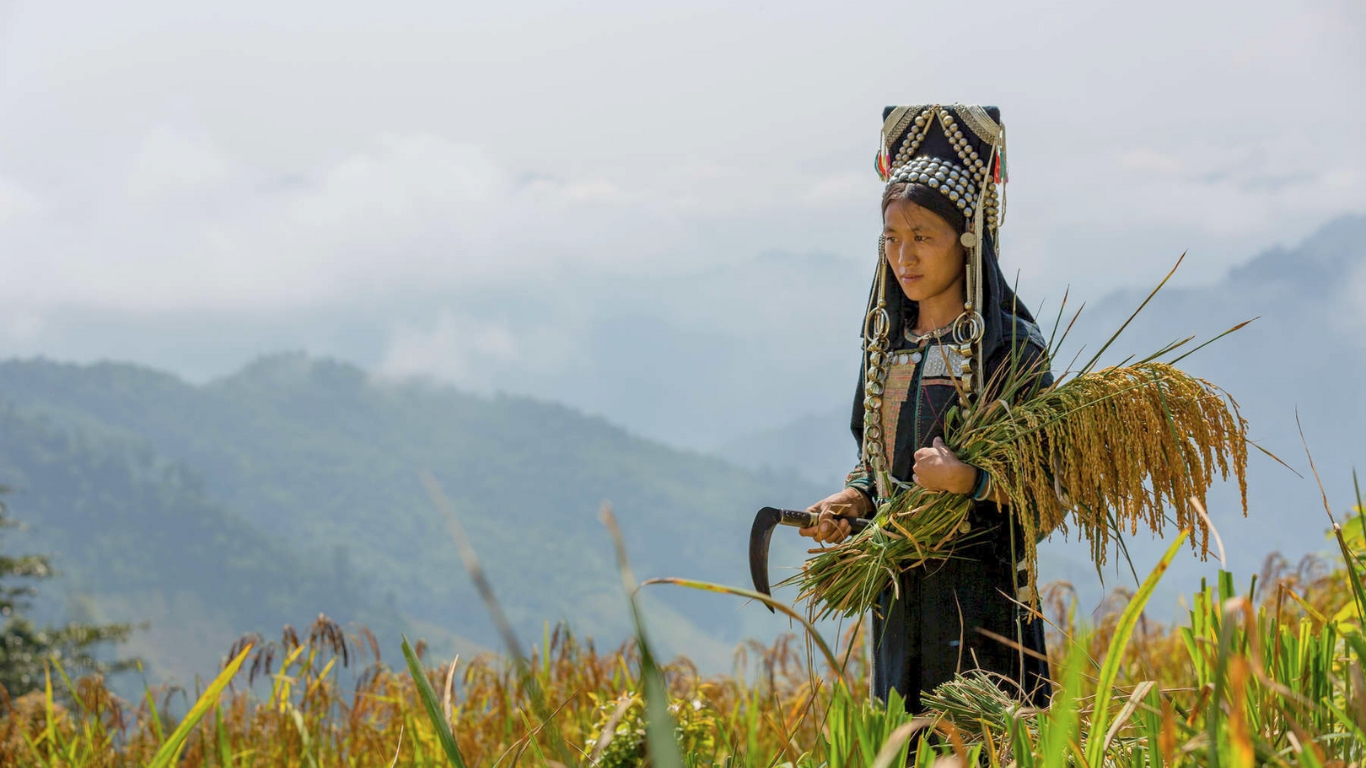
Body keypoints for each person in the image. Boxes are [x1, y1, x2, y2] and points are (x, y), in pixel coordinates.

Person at [799, 104, 1052, 711]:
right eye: (891, 238)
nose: (903, 256)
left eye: (922, 237)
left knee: (990, 742)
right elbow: (873, 461)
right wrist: (853, 499)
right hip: (898, 604)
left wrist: (967, 480)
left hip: (984, 611)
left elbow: (1049, 488)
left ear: (968, 241)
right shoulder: (884, 349)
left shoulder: (1011, 350)